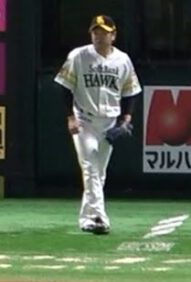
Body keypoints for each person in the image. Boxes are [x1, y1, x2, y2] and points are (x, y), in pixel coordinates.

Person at [54, 14, 142, 235]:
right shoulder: (79, 55)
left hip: (109, 121)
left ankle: (87, 219)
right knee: (90, 168)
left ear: (113, 36)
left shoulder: (122, 60)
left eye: (104, 32)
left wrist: (127, 119)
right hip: (84, 119)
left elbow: (131, 91)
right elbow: (65, 87)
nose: (99, 36)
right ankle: (100, 218)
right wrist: (70, 117)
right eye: (95, 32)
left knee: (98, 173)